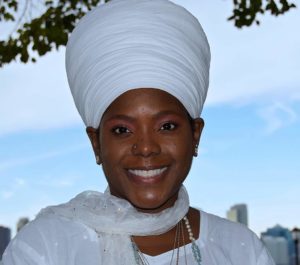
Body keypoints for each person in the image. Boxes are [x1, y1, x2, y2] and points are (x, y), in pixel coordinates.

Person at [2, 0, 275, 264]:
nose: (146, 147)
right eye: (122, 130)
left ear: (195, 135)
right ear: (96, 143)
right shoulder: (44, 247)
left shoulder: (241, 250)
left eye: (166, 126)